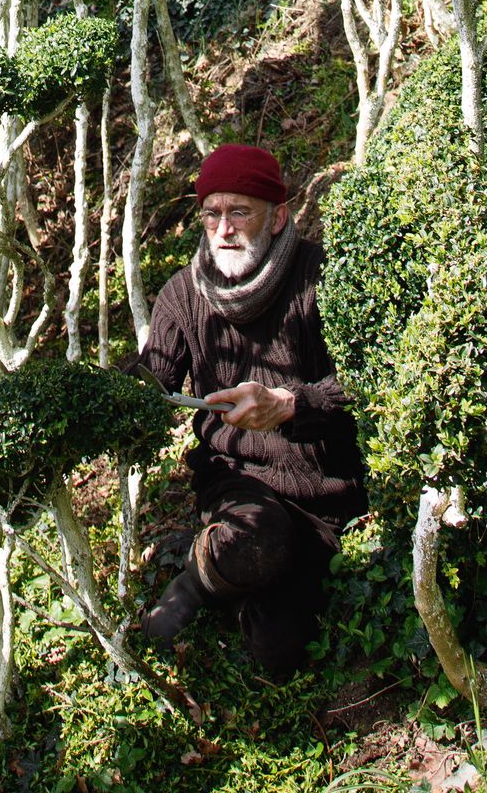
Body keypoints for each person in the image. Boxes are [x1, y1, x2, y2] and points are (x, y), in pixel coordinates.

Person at [133, 141, 365, 673]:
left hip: (326, 494)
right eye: (211, 214)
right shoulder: (182, 296)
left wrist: (291, 405)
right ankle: (198, 581)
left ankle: (235, 578)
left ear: (278, 217)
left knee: (279, 653)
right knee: (257, 537)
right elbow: (151, 382)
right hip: (236, 483)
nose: (223, 229)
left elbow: (367, 379)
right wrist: (100, 395)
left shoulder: (321, 277)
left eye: (240, 212)